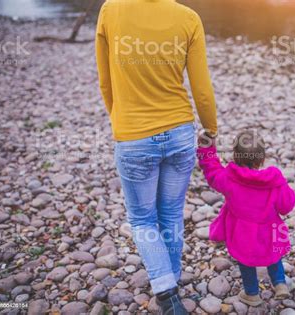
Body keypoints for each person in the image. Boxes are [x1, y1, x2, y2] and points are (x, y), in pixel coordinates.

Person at [95, 0, 217, 313]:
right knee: (172, 212)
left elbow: (105, 79)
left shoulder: (111, 10)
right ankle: (171, 278)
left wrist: (120, 120)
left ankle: (165, 290)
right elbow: (201, 88)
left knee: (142, 218)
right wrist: (211, 128)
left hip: (133, 135)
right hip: (179, 133)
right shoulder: (188, 18)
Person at [197, 130, 295, 306]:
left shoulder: (229, 178)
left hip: (242, 231)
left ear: (235, 156)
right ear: (262, 158)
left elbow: (212, 170)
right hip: (270, 229)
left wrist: (207, 147)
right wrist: (283, 186)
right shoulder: (273, 180)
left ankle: (252, 294)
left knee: (246, 259)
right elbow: (286, 206)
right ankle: (280, 284)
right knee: (273, 254)